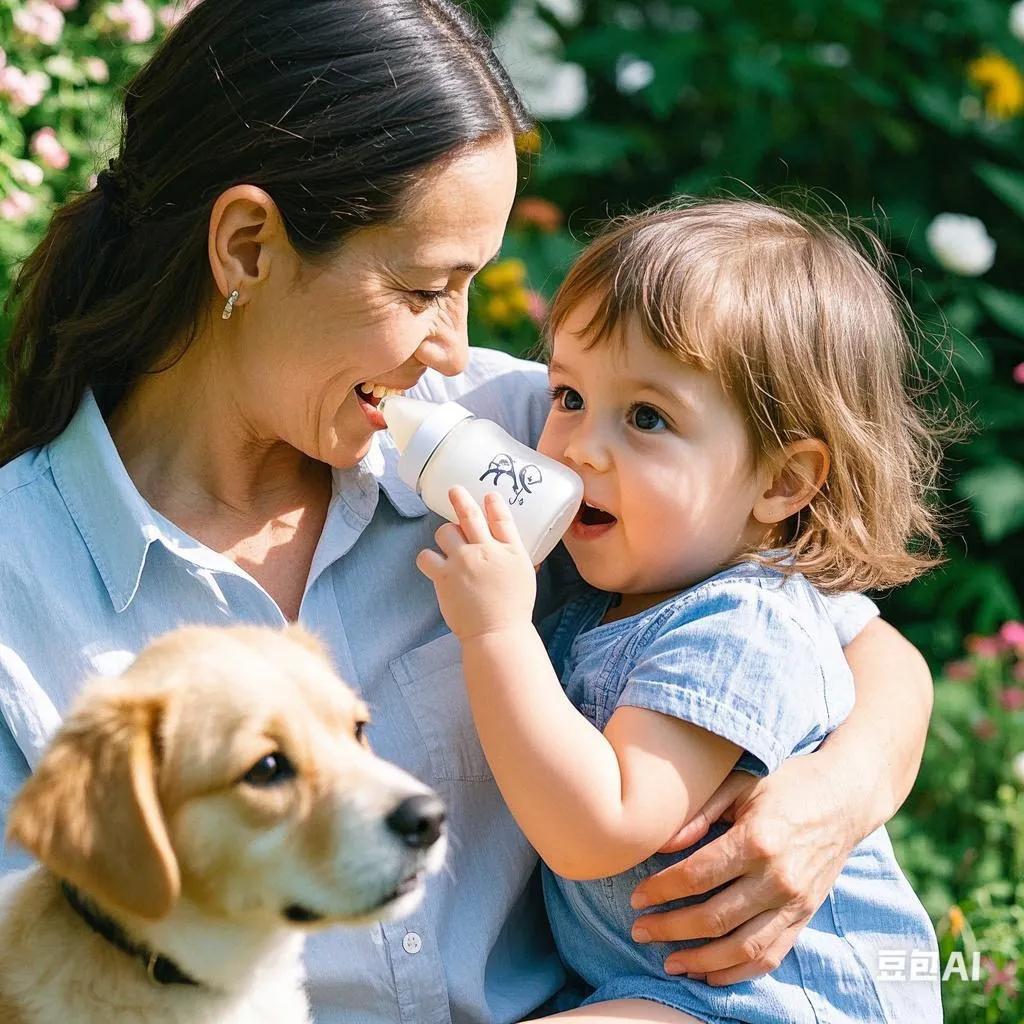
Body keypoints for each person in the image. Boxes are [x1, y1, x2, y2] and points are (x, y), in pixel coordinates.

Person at [0, 2, 934, 1021]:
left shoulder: (516, 436)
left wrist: (830, 802)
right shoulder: (25, 581)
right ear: (249, 246)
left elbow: (850, 640)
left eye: (471, 289)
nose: (451, 346)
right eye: (422, 288)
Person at [416, 199, 945, 1023]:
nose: (579, 447)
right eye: (567, 395)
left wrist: (496, 634)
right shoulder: (610, 600)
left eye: (648, 418)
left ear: (781, 482)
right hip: (667, 990)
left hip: (776, 1000)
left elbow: (599, 827)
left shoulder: (739, 624)